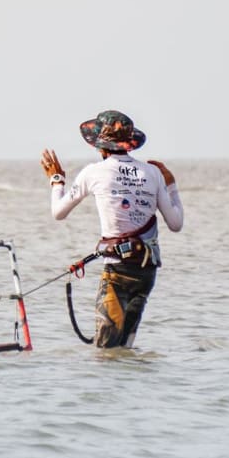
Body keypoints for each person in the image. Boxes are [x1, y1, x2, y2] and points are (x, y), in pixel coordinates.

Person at [41, 110, 183, 349]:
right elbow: (176, 224)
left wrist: (57, 180)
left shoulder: (94, 172)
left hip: (118, 272)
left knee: (106, 351)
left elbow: (59, 212)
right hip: (147, 271)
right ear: (130, 143)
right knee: (125, 348)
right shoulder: (154, 173)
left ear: (100, 146)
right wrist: (171, 184)